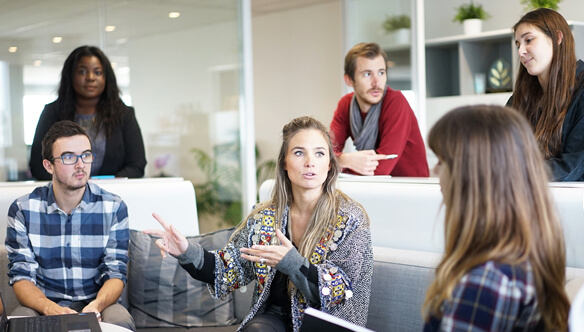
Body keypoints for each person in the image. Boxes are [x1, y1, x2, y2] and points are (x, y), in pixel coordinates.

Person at [145, 116, 373, 332]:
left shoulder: (351, 218)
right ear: (285, 162)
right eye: (299, 152)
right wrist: (186, 252)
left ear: (330, 165)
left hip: (327, 324)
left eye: (320, 154)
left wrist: (293, 263)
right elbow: (228, 269)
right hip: (274, 321)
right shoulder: (264, 216)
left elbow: (341, 291)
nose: (310, 162)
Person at [423, 105, 570, 331]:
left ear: (471, 176)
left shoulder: (485, 283)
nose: (435, 171)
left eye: (442, 161)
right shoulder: (525, 256)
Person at [6, 121, 135, 330]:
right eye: (68, 157)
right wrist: (51, 309)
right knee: (19, 322)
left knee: (120, 320)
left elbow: (116, 273)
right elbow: (21, 277)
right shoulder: (23, 209)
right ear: (49, 166)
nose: (80, 164)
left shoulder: (114, 207)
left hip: (98, 303)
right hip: (44, 304)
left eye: (86, 155)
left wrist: (96, 306)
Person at [29, 45, 146, 180]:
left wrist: (105, 186)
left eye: (97, 72)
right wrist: (73, 184)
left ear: (106, 78)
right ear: (70, 76)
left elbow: (137, 165)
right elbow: (38, 166)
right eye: (82, 72)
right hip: (65, 197)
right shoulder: (52, 113)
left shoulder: (124, 114)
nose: (90, 78)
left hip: (112, 195)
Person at [329, 42, 429, 177]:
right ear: (349, 80)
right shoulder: (345, 105)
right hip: (374, 188)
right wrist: (345, 160)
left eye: (381, 73)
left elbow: (381, 169)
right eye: (367, 74)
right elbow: (325, 154)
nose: (376, 82)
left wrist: (338, 163)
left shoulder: (396, 102)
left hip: (410, 190)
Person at [508, 8, 584, 181]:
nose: (521, 51)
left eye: (529, 40)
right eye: (518, 44)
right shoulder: (520, 98)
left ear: (557, 38)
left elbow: (571, 167)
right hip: (528, 197)